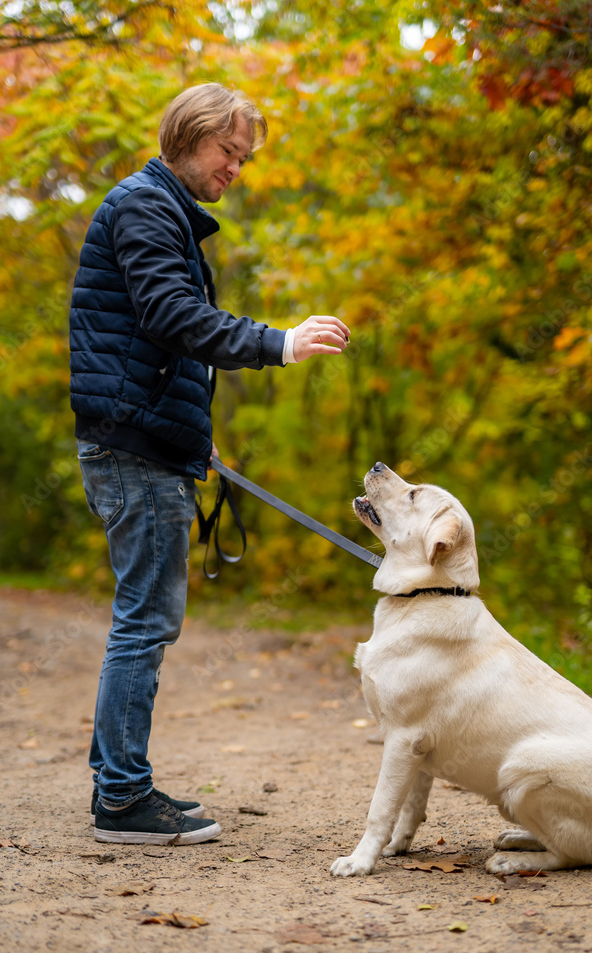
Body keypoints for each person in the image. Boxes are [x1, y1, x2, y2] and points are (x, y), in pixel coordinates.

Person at [69, 83, 351, 846]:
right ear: (190, 137)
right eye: (229, 152)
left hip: (146, 443)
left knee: (140, 617)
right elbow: (172, 319)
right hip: (133, 450)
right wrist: (280, 342)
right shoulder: (144, 207)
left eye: (243, 158)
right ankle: (122, 800)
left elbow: (150, 345)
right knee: (145, 621)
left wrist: (196, 437)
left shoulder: (157, 210)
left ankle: (114, 779)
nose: (236, 169)